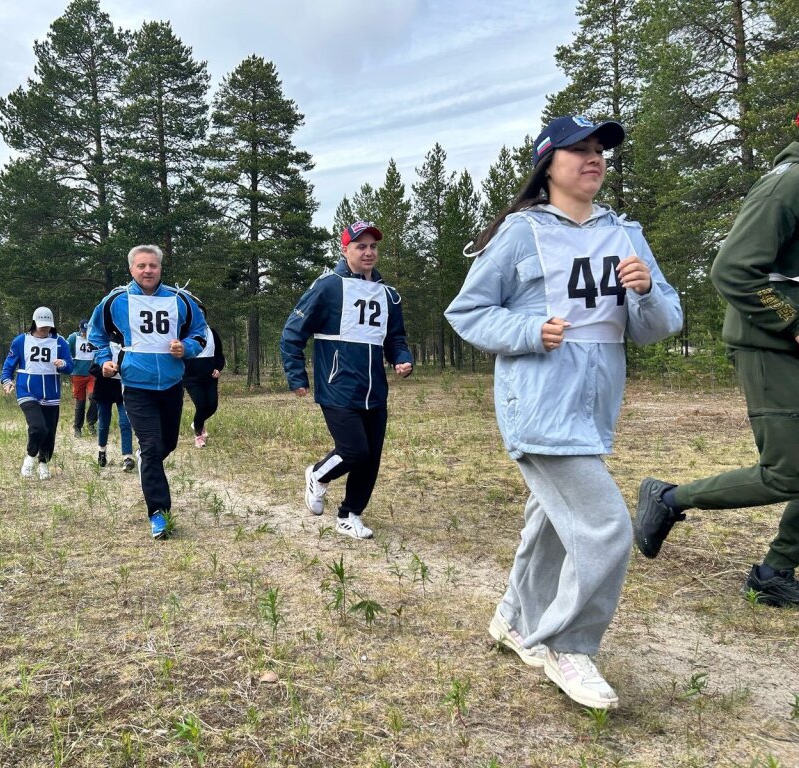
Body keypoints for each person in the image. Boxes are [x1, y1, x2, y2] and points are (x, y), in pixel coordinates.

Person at [445, 115, 682, 710]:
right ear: (547, 165)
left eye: (599, 149)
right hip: (540, 406)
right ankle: (569, 646)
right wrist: (529, 330)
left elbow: (660, 327)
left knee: (549, 521)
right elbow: (467, 311)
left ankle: (512, 618)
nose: (593, 157)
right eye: (578, 149)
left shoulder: (625, 235)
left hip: (595, 409)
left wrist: (646, 289)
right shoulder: (522, 233)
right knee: (606, 527)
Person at [634, 132, 799, 608]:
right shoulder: (787, 184)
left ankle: (774, 572)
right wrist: (794, 321)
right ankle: (668, 499)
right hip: (770, 345)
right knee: (788, 473)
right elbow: (731, 269)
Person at [280, 221, 413, 540]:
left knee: (371, 457)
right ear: (345, 250)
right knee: (354, 451)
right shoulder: (328, 286)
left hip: (375, 390)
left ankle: (349, 515)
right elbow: (292, 333)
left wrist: (402, 358)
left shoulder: (388, 295)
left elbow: (395, 337)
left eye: (373, 246)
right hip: (337, 384)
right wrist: (296, 374)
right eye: (360, 246)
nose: (368, 252)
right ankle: (317, 474)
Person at [88, 244, 208, 539]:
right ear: (131, 269)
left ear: (160, 268)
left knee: (166, 445)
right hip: (136, 385)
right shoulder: (115, 300)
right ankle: (159, 514)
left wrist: (187, 347)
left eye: (152, 265)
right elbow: (96, 336)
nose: (147, 271)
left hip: (171, 384)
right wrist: (104, 361)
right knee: (153, 447)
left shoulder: (180, 300)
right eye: (141, 266)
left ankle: (146, 458)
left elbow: (200, 333)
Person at [0, 306, 75, 480]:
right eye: (42, 325)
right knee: (37, 427)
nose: (45, 329)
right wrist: (7, 381)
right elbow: (8, 366)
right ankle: (30, 457)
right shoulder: (20, 341)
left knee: (49, 431)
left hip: (51, 392)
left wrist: (63, 364)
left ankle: (44, 463)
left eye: (48, 326)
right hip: (27, 389)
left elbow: (71, 367)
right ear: (34, 323)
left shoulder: (60, 342)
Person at [182, 305, 225, 448]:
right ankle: (199, 436)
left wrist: (218, 368)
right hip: (191, 377)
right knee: (201, 405)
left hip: (210, 377)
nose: (199, 315)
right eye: (196, 313)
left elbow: (219, 354)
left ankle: (196, 423)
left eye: (201, 313)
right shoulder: (184, 333)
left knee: (212, 405)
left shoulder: (212, 333)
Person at [89, 341, 136, 472]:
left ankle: (127, 457)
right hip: (104, 387)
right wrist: (104, 369)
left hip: (124, 386)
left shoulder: (130, 343)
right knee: (104, 422)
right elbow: (92, 368)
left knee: (125, 422)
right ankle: (101, 451)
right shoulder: (104, 344)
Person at [66, 319, 96, 436]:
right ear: (80, 329)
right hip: (77, 374)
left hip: (91, 375)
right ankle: (77, 428)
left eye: (87, 331)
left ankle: (91, 423)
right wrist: (69, 363)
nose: (85, 333)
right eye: (83, 331)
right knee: (80, 402)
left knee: (94, 398)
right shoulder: (73, 338)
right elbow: (65, 350)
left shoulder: (94, 338)